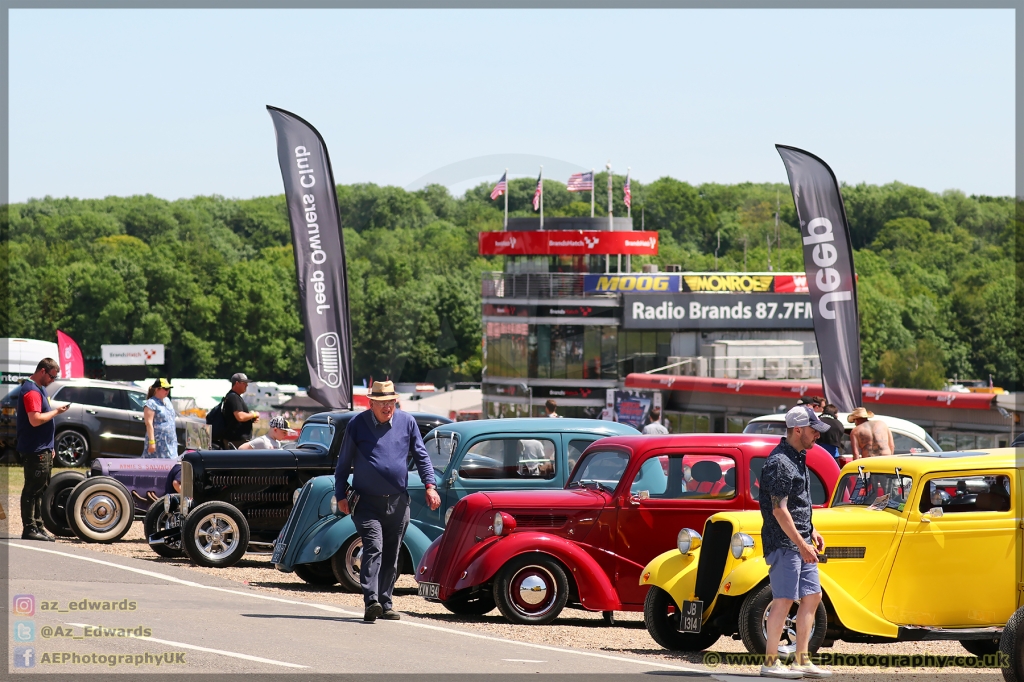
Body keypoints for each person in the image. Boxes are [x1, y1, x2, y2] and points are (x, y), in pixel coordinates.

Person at [334, 380, 440, 622]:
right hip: (366, 502)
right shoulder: (357, 425)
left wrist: (430, 486)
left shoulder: (407, 422)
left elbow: (422, 456)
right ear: (371, 403)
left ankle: (386, 602)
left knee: (392, 554)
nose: (387, 407)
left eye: (391, 402)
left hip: (398, 502)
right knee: (374, 548)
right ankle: (371, 601)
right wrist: (340, 495)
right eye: (382, 403)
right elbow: (343, 464)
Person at [758, 405, 832, 679]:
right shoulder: (780, 463)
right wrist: (802, 543)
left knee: (812, 596)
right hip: (785, 543)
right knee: (784, 599)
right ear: (798, 430)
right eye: (814, 431)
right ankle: (770, 662)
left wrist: (811, 530)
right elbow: (778, 510)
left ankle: (801, 660)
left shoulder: (797, 457)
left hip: (800, 541)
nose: (818, 436)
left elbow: (797, 503)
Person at [16, 358, 71, 541]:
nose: (52, 380)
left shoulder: (39, 389)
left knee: (41, 488)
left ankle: (38, 526)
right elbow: (35, 419)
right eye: (52, 376)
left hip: (43, 447)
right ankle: (29, 527)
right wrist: (57, 412)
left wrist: (50, 446)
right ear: (42, 371)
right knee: (32, 489)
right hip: (34, 449)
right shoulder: (31, 391)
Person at [222, 373, 259, 449]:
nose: (247, 385)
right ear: (237, 383)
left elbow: (235, 418)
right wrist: (254, 414)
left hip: (235, 440)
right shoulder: (234, 397)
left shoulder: (233, 396)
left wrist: (250, 419)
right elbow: (240, 416)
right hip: (236, 440)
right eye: (244, 383)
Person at [143, 378, 178, 459]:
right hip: (159, 442)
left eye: (168, 389)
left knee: (172, 464)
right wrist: (152, 442)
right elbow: (149, 423)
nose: (167, 391)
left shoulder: (168, 401)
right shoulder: (151, 403)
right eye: (165, 389)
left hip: (170, 441)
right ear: (157, 389)